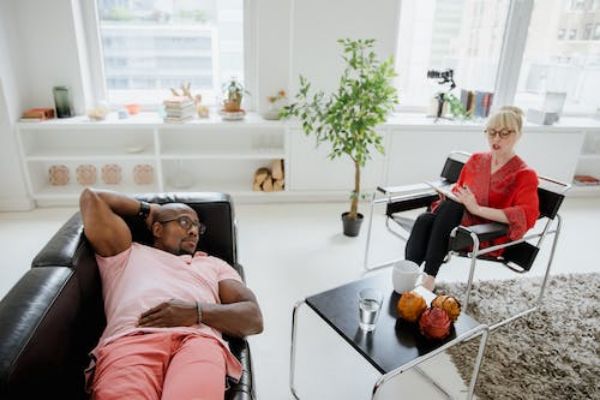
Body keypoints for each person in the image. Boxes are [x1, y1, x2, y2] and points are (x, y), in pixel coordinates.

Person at [79, 188, 263, 400]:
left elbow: (253, 318)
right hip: (130, 340)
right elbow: (92, 198)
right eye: (184, 222)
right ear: (157, 229)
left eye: (197, 226)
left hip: (197, 341)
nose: (194, 231)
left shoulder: (213, 265)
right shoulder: (126, 253)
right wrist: (150, 210)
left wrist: (196, 312)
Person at [405, 106, 540, 291]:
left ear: (518, 135)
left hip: (486, 232)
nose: (496, 139)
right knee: (424, 220)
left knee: (446, 210)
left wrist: (477, 209)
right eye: (491, 132)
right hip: (456, 222)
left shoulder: (525, 174)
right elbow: (459, 190)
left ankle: (426, 277)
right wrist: (453, 195)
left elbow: (525, 214)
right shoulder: (476, 159)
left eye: (504, 133)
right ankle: (411, 276)